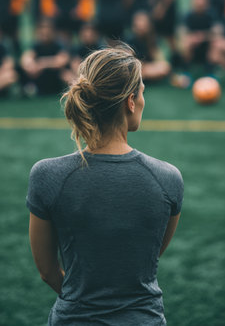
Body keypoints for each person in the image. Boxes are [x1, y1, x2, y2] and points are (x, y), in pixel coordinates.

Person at [26, 44, 184, 325]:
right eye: (143, 92)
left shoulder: (46, 175)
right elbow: (147, 256)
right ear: (131, 102)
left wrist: (82, 300)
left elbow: (47, 271)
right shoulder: (168, 178)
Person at [20, 18, 69, 96]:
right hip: (40, 78)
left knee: (66, 75)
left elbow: (61, 61)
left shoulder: (59, 45)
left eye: (47, 30)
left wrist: (42, 64)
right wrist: (31, 65)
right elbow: (26, 58)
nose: (44, 33)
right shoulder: (36, 45)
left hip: (55, 78)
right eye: (42, 31)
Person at [127, 11, 171, 81]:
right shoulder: (129, 40)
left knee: (164, 68)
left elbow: (161, 61)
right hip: (137, 69)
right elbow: (129, 63)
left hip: (147, 69)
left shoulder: (151, 40)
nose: (140, 25)